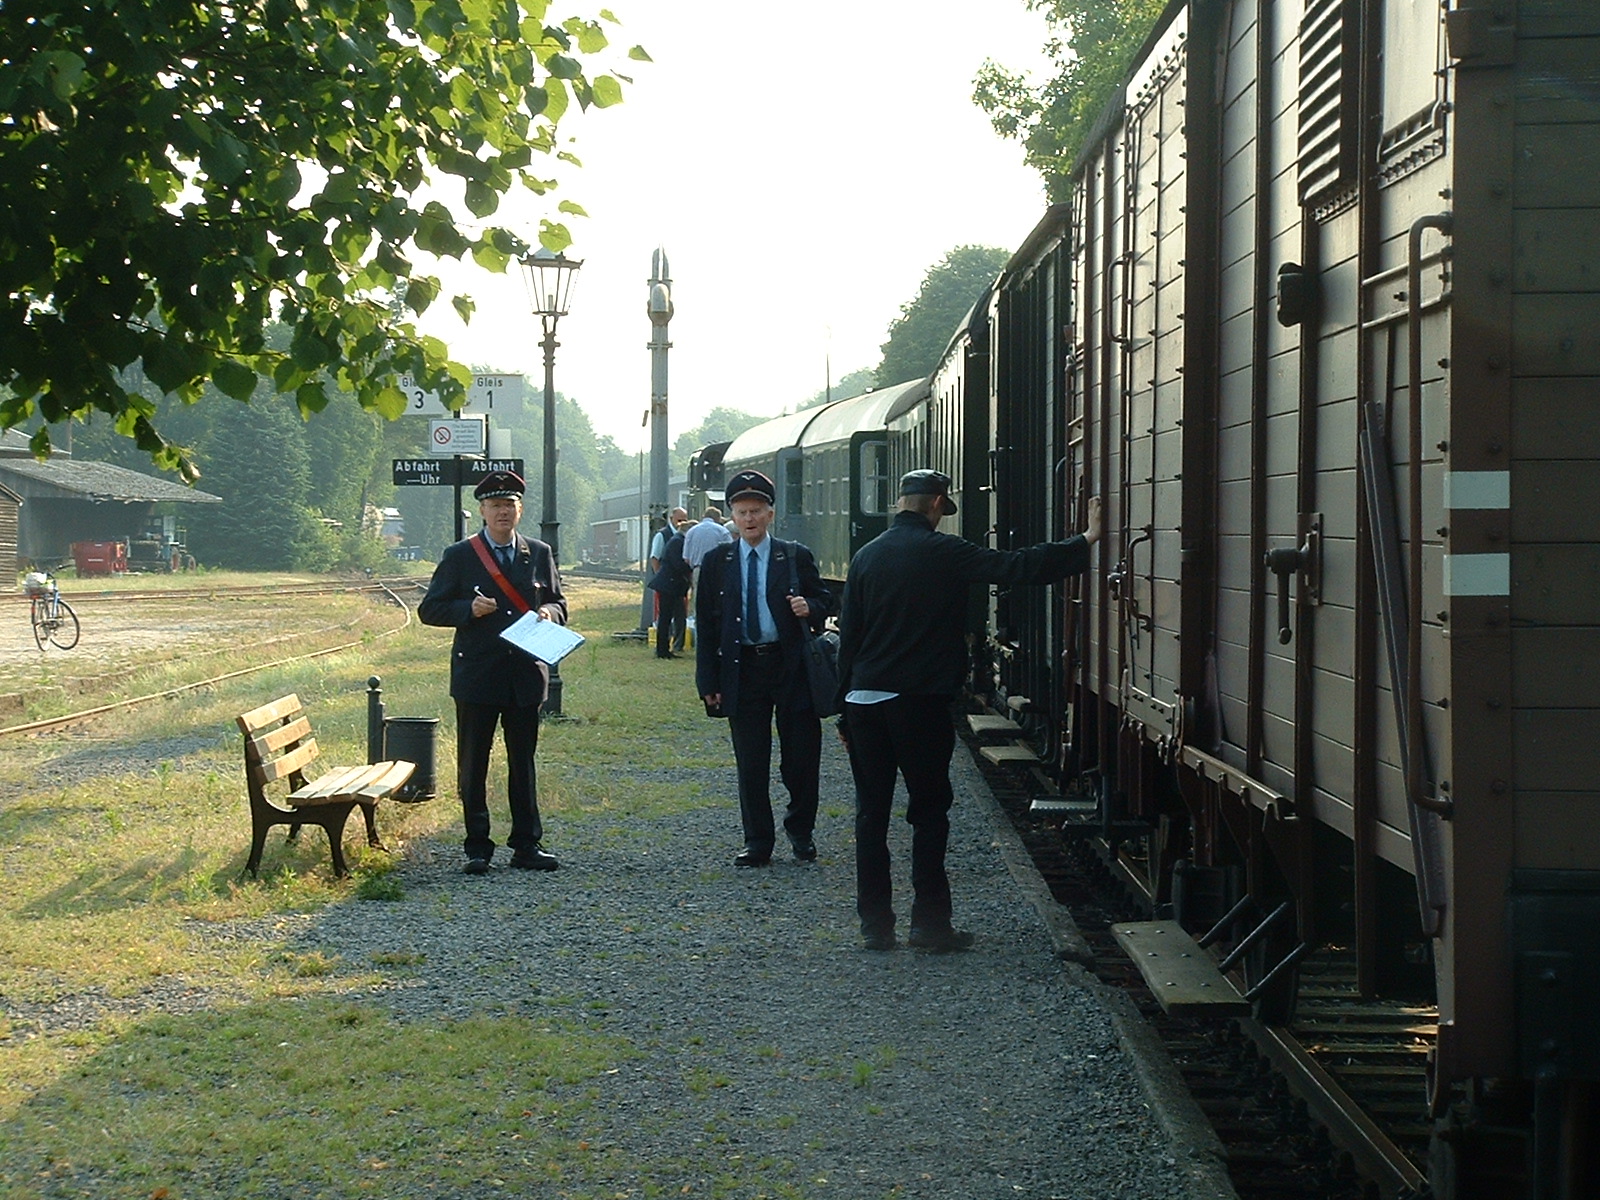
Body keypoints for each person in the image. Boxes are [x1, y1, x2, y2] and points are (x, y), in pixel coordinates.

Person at [835, 469, 1103, 951]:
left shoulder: (866, 556)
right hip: (919, 704)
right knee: (929, 812)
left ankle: (875, 926)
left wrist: (842, 710)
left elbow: (848, 639)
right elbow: (1018, 566)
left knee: (870, 815)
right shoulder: (944, 551)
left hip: (865, 703)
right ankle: (929, 926)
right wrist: (1085, 539)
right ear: (936, 504)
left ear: (902, 503)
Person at [418, 470, 569, 875]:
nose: (504, 512)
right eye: (496, 506)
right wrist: (467, 609)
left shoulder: (538, 552)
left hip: (524, 674)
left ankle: (526, 844)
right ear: (482, 511)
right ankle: (477, 847)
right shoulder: (460, 556)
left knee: (523, 762)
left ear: (521, 510)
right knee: (474, 763)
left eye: (511, 505)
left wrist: (546, 612)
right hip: (478, 675)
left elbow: (558, 602)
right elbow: (430, 609)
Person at [697, 470, 836, 867]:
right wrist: (708, 681)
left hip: (791, 668)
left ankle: (801, 832)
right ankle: (758, 840)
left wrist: (811, 607)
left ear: (770, 514)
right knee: (751, 760)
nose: (749, 519)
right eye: (741, 513)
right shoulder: (717, 561)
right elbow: (706, 625)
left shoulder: (793, 555)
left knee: (801, 758)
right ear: (732, 518)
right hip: (742, 671)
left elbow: (826, 599)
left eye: (756, 511)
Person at [647, 516, 691, 659]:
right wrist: (691, 565)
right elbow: (678, 565)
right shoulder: (677, 542)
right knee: (665, 618)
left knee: (669, 617)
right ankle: (662, 650)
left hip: (670, 585)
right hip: (668, 585)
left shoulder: (676, 541)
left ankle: (665, 648)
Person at [682, 504, 733, 593]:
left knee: (698, 600)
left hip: (698, 569)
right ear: (717, 518)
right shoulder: (722, 531)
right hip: (718, 571)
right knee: (717, 599)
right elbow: (731, 552)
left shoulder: (691, 531)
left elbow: (686, 558)